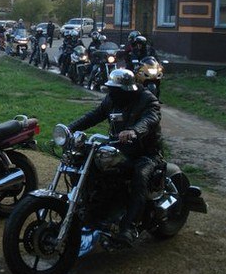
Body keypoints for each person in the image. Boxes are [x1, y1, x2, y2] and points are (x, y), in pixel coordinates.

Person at [67, 68, 163, 246]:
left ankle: (128, 227)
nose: (112, 93)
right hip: (119, 148)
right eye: (111, 88)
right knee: (84, 162)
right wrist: (69, 128)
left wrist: (134, 131)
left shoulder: (147, 100)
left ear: (127, 89)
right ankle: (91, 208)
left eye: (116, 89)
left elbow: (150, 119)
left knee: (140, 175)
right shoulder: (112, 99)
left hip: (146, 152)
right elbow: (94, 115)